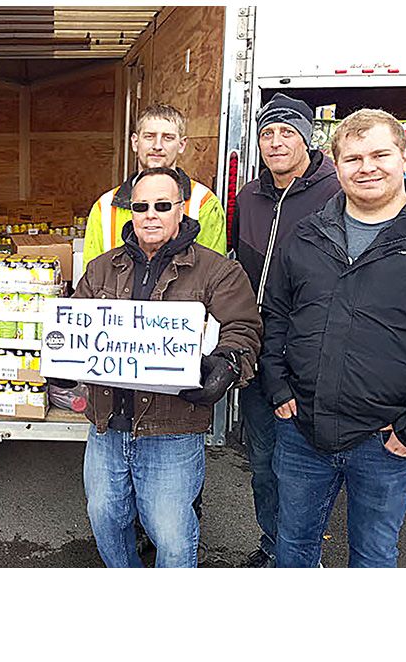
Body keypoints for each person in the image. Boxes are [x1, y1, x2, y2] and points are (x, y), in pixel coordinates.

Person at [260, 108, 406, 568]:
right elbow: (275, 314)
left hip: (388, 438)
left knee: (372, 556)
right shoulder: (307, 236)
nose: (366, 167)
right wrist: (276, 383)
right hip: (303, 431)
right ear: (336, 166)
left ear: (403, 158)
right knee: (292, 549)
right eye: (352, 158)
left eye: (379, 154)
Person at [70, 167, 262, 567]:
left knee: (172, 534)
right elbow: (76, 324)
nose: (150, 214)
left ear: (180, 210)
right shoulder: (101, 267)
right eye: (141, 206)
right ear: (130, 212)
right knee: (105, 518)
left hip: (171, 428)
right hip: (106, 425)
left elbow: (242, 329)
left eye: (162, 205)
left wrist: (226, 365)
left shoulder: (217, 271)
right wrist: (62, 361)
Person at [229, 93, 341, 568]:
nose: (276, 142)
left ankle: (301, 556)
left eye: (286, 132)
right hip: (257, 345)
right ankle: (273, 544)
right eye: (267, 133)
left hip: (309, 352)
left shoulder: (335, 192)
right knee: (263, 462)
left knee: (304, 469)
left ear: (307, 137)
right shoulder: (248, 197)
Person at [83, 103, 227, 265]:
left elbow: (213, 276)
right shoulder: (105, 207)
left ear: (182, 145)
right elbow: (90, 279)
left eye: (168, 138)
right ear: (135, 142)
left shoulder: (204, 203)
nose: (157, 146)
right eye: (149, 136)